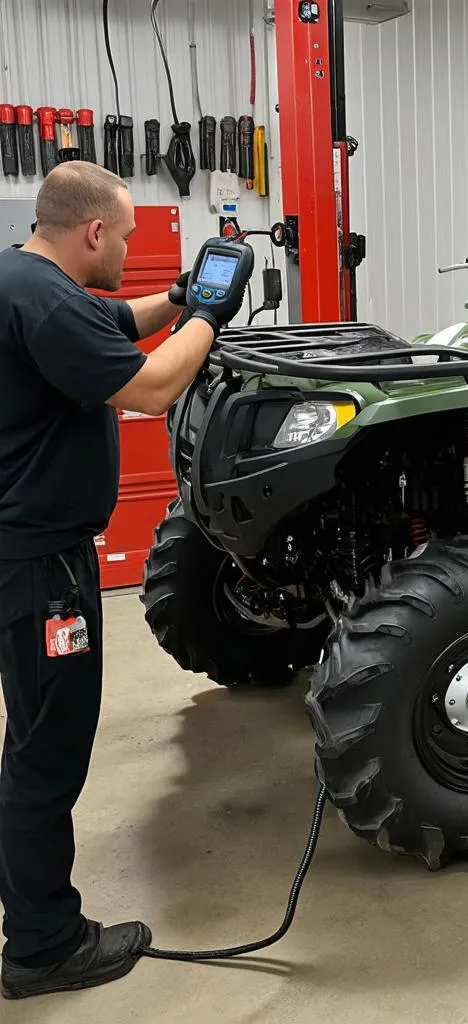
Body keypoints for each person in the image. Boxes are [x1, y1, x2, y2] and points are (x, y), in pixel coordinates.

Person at [0, 162, 244, 1000]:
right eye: (129, 237)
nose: (133, 249)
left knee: (39, 740)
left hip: (30, 555)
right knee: (46, 752)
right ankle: (41, 946)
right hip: (41, 570)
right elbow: (152, 386)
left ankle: (36, 927)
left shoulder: (24, 278)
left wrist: (179, 296)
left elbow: (113, 320)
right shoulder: (42, 299)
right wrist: (210, 315)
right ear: (93, 233)